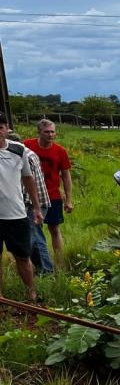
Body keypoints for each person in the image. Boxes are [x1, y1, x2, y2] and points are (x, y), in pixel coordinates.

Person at [0, 114, 44, 302]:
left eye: (0, 126)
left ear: (7, 128)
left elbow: (28, 178)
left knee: (23, 255)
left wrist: (36, 207)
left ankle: (31, 292)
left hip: (15, 212)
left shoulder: (19, 150)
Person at [24, 119, 73, 266]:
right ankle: (36, 263)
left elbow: (66, 175)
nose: (50, 135)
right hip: (31, 196)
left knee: (54, 229)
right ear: (39, 132)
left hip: (53, 196)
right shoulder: (27, 145)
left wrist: (69, 199)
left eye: (52, 131)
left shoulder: (60, 151)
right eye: (46, 132)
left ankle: (59, 261)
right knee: (33, 231)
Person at [9, 132, 53, 274]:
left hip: (30, 203)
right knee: (36, 236)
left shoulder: (20, 155)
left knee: (31, 239)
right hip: (39, 202)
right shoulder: (30, 153)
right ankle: (44, 270)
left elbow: (25, 182)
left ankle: (45, 270)